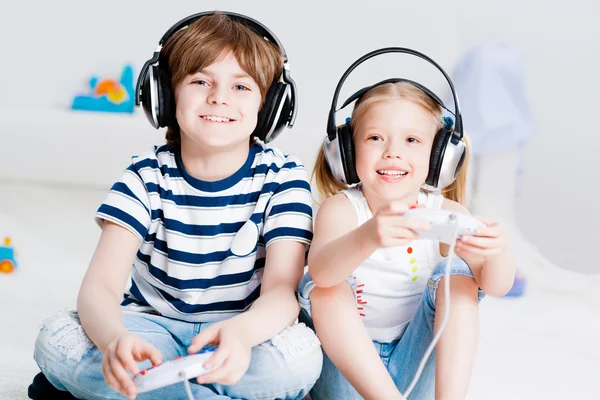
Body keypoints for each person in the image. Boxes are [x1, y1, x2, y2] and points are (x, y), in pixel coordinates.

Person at [29, 11, 322, 400]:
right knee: (54, 341)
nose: (218, 97)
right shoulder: (144, 175)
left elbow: (281, 292)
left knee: (299, 364)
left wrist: (243, 333)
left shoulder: (284, 178)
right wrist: (116, 339)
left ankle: (150, 391)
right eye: (200, 81)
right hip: (151, 330)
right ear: (165, 96)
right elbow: (99, 287)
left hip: (242, 333)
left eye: (241, 87)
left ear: (269, 108)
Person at [298, 56, 516, 399]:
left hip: (415, 366)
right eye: (375, 138)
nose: (392, 153)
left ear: (439, 156)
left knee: (456, 275)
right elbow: (322, 273)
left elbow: (496, 285)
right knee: (326, 288)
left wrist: (497, 253)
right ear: (348, 151)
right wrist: (368, 235)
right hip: (351, 377)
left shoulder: (443, 213)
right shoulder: (343, 210)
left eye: (411, 140)